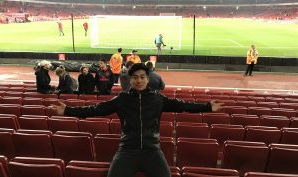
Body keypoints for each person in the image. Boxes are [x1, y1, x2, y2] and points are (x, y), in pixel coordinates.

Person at [50, 63, 223, 177]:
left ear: (147, 79)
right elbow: (95, 109)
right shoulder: (122, 99)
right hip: (127, 150)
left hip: (152, 150)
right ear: (130, 80)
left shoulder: (158, 99)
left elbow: (184, 105)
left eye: (142, 77)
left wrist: (207, 107)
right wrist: (67, 110)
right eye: (135, 77)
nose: (138, 80)